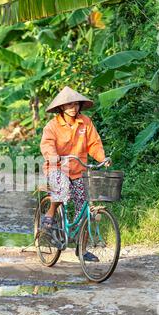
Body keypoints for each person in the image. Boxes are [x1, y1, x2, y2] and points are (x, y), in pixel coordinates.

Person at [40, 86, 111, 262]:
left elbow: (94, 144)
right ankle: (50, 212)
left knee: (85, 206)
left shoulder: (85, 122)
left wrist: (103, 157)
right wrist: (53, 156)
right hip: (57, 168)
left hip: (79, 170)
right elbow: (47, 144)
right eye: (69, 104)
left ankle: (82, 248)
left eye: (76, 104)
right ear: (61, 107)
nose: (73, 107)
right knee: (61, 186)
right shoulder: (52, 126)